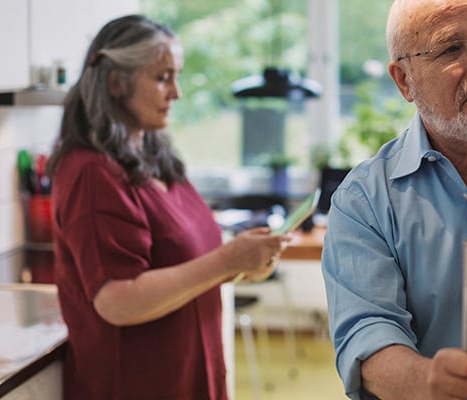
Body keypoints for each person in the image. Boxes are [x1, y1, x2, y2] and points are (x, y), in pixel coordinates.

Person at [45, 15, 291, 400]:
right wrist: (227, 261)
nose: (175, 92)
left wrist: (244, 261)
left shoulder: (155, 159)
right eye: (162, 78)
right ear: (116, 82)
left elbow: (186, 264)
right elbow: (117, 300)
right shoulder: (91, 173)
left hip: (190, 378)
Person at [321, 1, 467, 399]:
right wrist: (425, 384)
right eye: (451, 49)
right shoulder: (365, 201)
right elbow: (367, 334)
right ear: (404, 80)